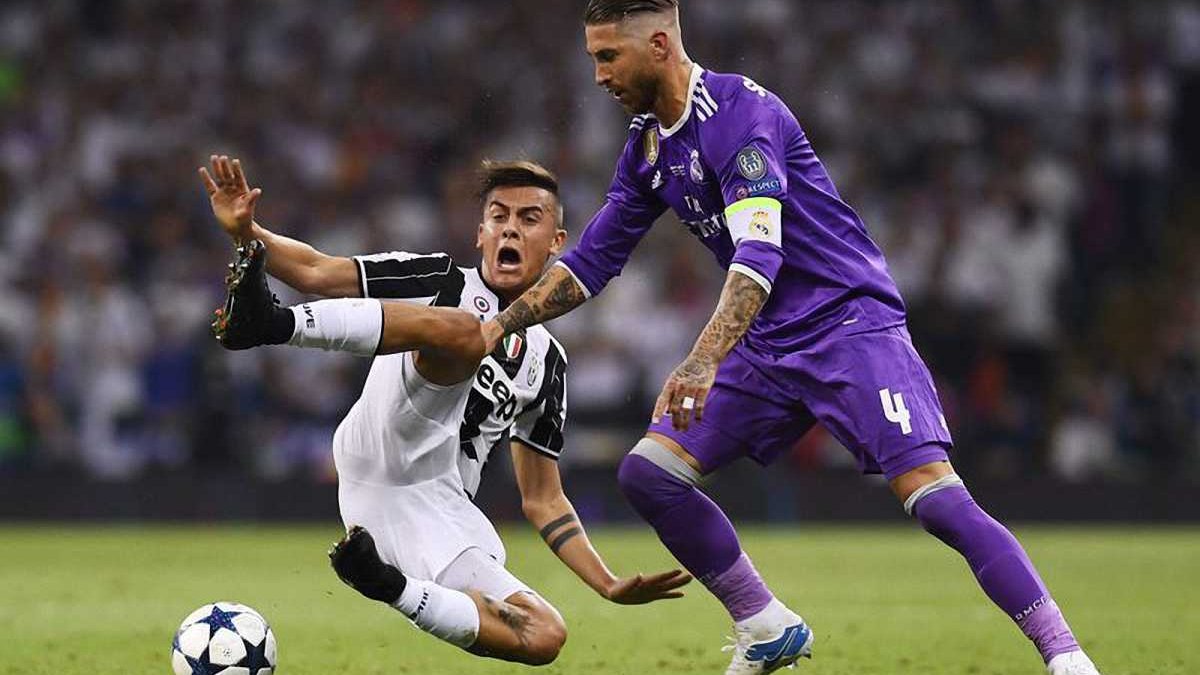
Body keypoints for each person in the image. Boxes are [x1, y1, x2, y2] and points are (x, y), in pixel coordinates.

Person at [481, 2, 1102, 674]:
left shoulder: (740, 114)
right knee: (649, 474)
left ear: (658, 45)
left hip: (847, 324)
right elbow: (590, 262)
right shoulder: (649, 149)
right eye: (594, 58)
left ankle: (1065, 655)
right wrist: (497, 325)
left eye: (609, 56)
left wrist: (702, 359)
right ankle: (764, 623)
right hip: (766, 341)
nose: (599, 75)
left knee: (936, 500)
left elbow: (759, 255)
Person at [199, 155, 690, 666]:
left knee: (544, 635)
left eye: (529, 219)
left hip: (437, 507)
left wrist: (607, 583)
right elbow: (318, 270)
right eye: (499, 216)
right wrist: (247, 232)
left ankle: (384, 583)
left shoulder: (548, 363)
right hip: (382, 447)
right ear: (480, 234)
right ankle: (272, 325)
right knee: (465, 331)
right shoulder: (438, 279)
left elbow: (544, 499)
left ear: (556, 241)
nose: (510, 229)